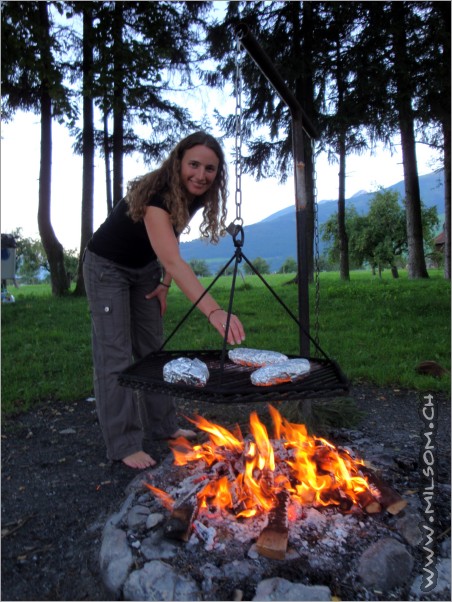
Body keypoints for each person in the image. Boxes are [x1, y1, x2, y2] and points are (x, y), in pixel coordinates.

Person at [83, 132, 246, 469]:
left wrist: (165, 283)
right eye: (194, 165)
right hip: (107, 268)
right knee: (115, 355)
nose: (201, 175)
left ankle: (164, 427)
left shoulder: (192, 194)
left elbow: (171, 242)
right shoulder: (157, 194)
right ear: (178, 162)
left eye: (210, 169)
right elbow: (173, 259)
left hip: (145, 270)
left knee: (153, 351)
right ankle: (124, 443)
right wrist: (213, 310)